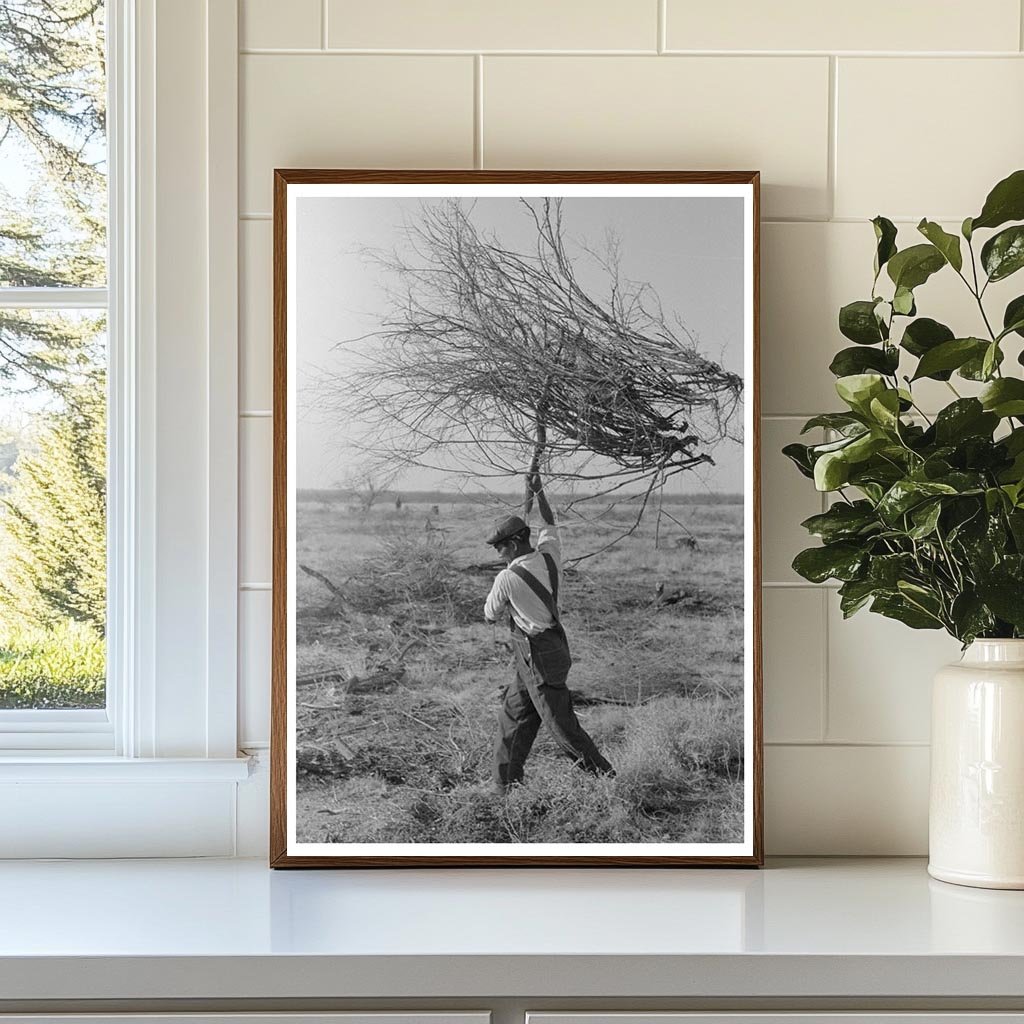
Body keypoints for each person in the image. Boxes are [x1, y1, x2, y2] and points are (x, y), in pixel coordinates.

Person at [483, 475, 614, 790]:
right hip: (554, 650)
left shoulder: (507, 578)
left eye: (500, 546)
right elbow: (549, 523)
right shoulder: (550, 555)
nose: (498, 553)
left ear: (514, 542)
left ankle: (608, 781)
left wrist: (505, 597)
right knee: (512, 718)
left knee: (562, 728)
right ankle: (505, 789)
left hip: (535, 659)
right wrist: (537, 488)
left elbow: (489, 615)